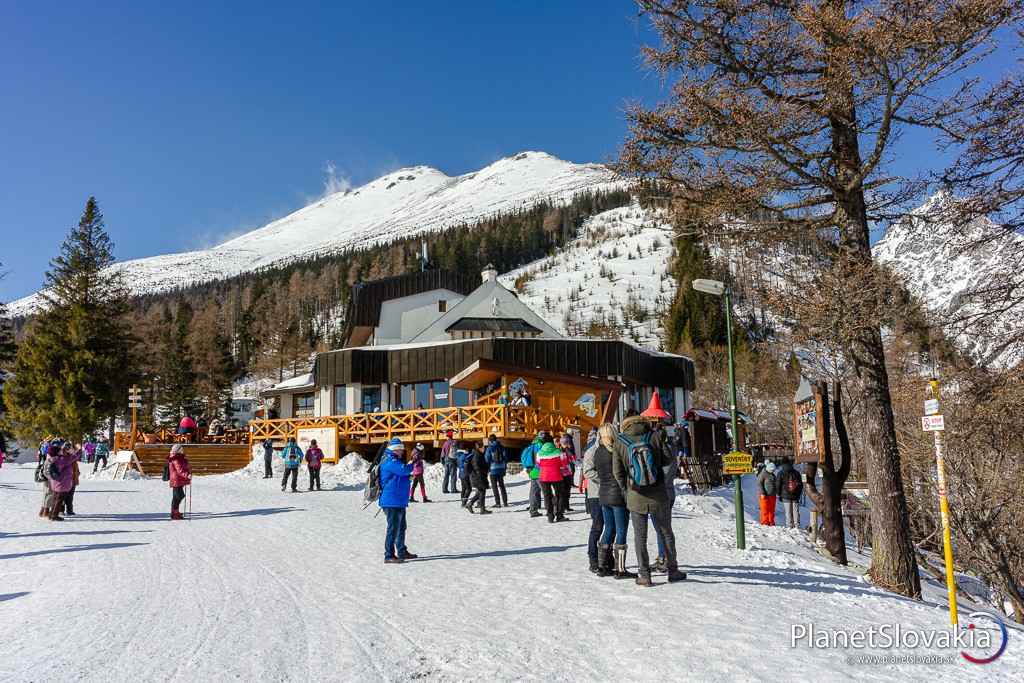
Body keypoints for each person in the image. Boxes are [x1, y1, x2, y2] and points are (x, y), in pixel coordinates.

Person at [612, 415, 686, 586]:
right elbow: (668, 460)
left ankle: (645, 575)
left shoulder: (620, 441)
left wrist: (627, 490)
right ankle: (673, 570)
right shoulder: (654, 436)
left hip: (635, 495)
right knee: (666, 533)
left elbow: (617, 472)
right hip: (658, 493)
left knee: (640, 536)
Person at [586, 424, 634, 579]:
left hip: (603, 494)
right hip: (618, 495)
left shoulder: (598, 452)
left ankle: (602, 566)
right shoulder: (616, 450)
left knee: (608, 528)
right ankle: (620, 569)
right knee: (621, 530)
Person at [378, 438, 416, 563]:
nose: (402, 451)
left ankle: (401, 550)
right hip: (391, 500)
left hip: (398, 500)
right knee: (393, 528)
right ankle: (388, 555)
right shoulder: (390, 461)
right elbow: (404, 470)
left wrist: (407, 478)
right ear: (395, 449)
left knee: (401, 527)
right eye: (400, 449)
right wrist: (413, 462)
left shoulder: (395, 461)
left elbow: (400, 475)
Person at [580, 430, 605, 574]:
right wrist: (605, 479)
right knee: (597, 526)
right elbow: (587, 471)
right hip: (595, 494)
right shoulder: (592, 451)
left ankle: (605, 558)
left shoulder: (610, 449)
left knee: (610, 527)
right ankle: (593, 557)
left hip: (609, 493)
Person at [537, 441, 566, 523]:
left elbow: (538, 464)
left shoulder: (539, 454)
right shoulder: (559, 452)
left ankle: (550, 516)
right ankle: (559, 515)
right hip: (556, 476)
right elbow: (564, 463)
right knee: (560, 495)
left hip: (544, 477)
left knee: (547, 496)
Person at [519, 432, 546, 518]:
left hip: (531, 470)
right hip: (538, 470)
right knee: (546, 490)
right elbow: (541, 459)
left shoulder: (532, 445)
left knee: (534, 490)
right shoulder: (540, 445)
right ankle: (554, 509)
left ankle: (533, 510)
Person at [465, 441, 492, 514]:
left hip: (478, 476)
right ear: (480, 448)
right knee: (482, 491)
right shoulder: (477, 455)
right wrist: (481, 474)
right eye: (483, 447)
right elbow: (477, 466)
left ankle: (470, 504)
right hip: (478, 476)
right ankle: (482, 509)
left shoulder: (478, 454)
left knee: (480, 492)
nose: (484, 449)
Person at [775, 459, 802, 528]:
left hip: (785, 495)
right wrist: (798, 494)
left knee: (788, 512)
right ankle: (797, 525)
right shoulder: (796, 472)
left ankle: (789, 525)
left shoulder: (780, 473)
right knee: (795, 511)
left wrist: (778, 494)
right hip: (795, 495)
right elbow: (800, 485)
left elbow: (778, 484)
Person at [168, 444, 192, 520]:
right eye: (181, 449)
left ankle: (175, 512)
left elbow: (184, 467)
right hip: (176, 479)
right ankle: (175, 512)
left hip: (179, 479)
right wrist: (187, 475)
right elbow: (179, 470)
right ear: (178, 450)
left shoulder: (179, 457)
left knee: (177, 496)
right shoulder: (176, 459)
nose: (182, 450)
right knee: (179, 496)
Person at [484, 434, 508, 508]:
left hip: (493, 469)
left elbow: (487, 459)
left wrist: (487, 467)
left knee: (494, 487)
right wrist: (504, 467)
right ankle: (505, 502)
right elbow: (506, 457)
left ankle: (498, 503)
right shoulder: (502, 447)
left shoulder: (489, 448)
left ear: (490, 441)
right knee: (502, 485)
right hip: (501, 468)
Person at [59, 444, 81, 516]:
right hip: (65, 480)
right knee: (63, 496)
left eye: (72, 449)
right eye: (70, 449)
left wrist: (77, 472)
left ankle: (69, 510)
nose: (72, 450)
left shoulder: (72, 457)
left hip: (73, 479)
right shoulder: (64, 458)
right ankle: (61, 510)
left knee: (70, 496)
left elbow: (75, 467)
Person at [558, 434, 576, 513]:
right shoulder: (560, 451)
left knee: (567, 491)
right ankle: (562, 507)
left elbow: (573, 459)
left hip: (567, 473)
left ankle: (566, 506)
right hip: (562, 474)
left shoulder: (567, 450)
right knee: (563, 491)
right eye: (567, 443)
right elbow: (572, 459)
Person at [758, 461, 778, 526]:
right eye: (772, 470)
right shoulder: (763, 474)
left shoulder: (773, 475)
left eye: (773, 470)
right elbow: (760, 484)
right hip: (765, 495)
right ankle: (765, 522)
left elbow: (775, 484)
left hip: (772, 495)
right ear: (769, 469)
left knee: (771, 510)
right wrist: (762, 493)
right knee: (765, 509)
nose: (773, 471)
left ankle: (771, 522)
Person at [456, 442, 474, 507]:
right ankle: (464, 502)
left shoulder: (458, 454)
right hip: (465, 474)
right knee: (469, 489)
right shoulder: (465, 456)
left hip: (461, 473)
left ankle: (462, 501)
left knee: (464, 488)